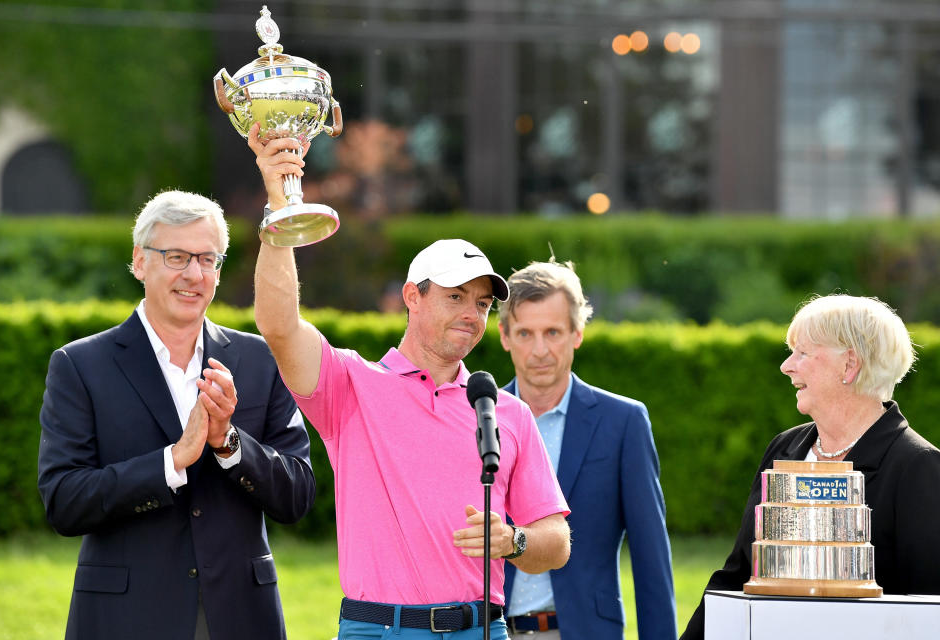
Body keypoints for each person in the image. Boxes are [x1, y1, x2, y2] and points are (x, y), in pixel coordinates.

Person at [248, 123, 571, 640]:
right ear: (412, 297)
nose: (472, 314)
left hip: (481, 630)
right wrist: (278, 210)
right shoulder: (352, 386)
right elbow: (278, 324)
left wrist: (513, 542)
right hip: (380, 630)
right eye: (455, 296)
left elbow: (556, 539)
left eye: (483, 303)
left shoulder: (505, 413)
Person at [37, 190, 317, 640]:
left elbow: (298, 495)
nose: (194, 274)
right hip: (125, 620)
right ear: (140, 261)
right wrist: (171, 461)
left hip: (242, 619)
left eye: (208, 259)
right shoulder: (80, 365)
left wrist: (230, 444)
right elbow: (64, 501)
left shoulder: (261, 360)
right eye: (176, 256)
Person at [681, 294, 940, 639]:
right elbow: (738, 574)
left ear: (849, 365)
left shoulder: (918, 466)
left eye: (802, 353)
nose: (786, 366)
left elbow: (927, 609)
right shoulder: (785, 449)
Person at [497, 260, 677, 640]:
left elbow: (651, 558)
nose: (540, 350)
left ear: (577, 333)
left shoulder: (623, 422)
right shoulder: (474, 419)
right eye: (525, 333)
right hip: (489, 630)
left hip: (585, 631)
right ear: (504, 336)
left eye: (553, 332)